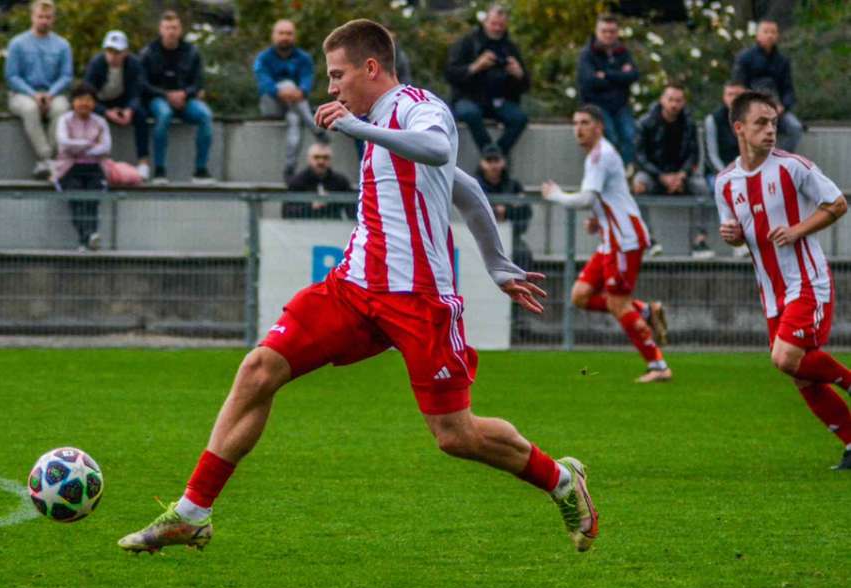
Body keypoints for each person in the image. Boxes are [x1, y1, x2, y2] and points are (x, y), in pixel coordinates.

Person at [118, 18, 598, 555]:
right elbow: (464, 187)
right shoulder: (374, 120)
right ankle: (193, 511)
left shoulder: (420, 106)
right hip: (353, 287)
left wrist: (359, 129)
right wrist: (498, 260)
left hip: (418, 297)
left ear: (371, 68)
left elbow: (441, 154)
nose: (331, 87)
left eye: (337, 74)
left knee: (455, 435)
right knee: (259, 368)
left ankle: (559, 479)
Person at [716, 91, 851, 470]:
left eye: (774, 122)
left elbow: (837, 203)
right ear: (739, 128)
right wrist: (733, 237)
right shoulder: (724, 181)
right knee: (799, 375)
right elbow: (739, 231)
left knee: (785, 357)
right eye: (761, 122)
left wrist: (796, 230)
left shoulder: (793, 167)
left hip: (808, 280)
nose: (771, 130)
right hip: (772, 292)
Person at [542, 105, 671, 383]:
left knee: (618, 304)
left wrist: (556, 195)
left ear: (599, 126)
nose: (578, 128)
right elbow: (605, 198)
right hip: (610, 239)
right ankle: (645, 311)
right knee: (580, 296)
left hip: (624, 240)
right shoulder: (597, 156)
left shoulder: (600, 155)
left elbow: (588, 198)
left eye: (585, 122)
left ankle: (658, 366)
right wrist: (597, 219)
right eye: (575, 123)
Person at [445, 4, 529, 157]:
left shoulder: (510, 47)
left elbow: (525, 85)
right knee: (470, 113)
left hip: (499, 101)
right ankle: (489, 153)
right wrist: (475, 67)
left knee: (520, 118)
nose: (497, 29)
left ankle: (496, 155)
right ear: (485, 22)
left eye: (501, 25)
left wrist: (519, 74)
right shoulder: (467, 42)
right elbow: (450, 74)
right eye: (493, 24)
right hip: (468, 98)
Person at [141, 10, 214, 184]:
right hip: (158, 99)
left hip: (185, 100)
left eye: (174, 28)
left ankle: (200, 170)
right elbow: (143, 84)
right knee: (164, 114)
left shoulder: (192, 52)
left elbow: (198, 82)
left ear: (180, 30)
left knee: (205, 115)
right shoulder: (148, 52)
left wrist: (184, 94)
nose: (171, 32)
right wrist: (166, 95)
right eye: (167, 28)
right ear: (161, 30)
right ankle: (159, 170)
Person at [633, 84, 706, 257]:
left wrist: (682, 174)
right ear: (662, 100)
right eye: (670, 99)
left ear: (684, 102)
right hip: (655, 173)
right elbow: (640, 157)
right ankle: (648, 239)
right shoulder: (645, 122)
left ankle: (700, 240)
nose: (674, 104)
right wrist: (661, 176)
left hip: (681, 174)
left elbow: (694, 154)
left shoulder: (689, 123)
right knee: (639, 184)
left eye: (678, 100)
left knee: (702, 187)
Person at [5, 0, 73, 179]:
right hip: (23, 93)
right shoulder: (17, 43)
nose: (44, 21)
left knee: (62, 109)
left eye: (48, 17)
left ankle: (47, 161)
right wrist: (33, 95)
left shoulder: (62, 45)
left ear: (53, 19)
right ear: (32, 17)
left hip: (53, 92)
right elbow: (12, 76)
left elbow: (66, 76)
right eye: (40, 17)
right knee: (30, 108)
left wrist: (50, 94)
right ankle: (46, 157)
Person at [254, 19, 329, 182]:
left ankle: (289, 167)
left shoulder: (304, 58)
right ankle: (315, 128)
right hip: (272, 105)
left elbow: (307, 80)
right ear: (273, 36)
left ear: (294, 37)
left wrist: (300, 91)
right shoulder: (263, 58)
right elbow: (264, 82)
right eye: (281, 33)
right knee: (287, 84)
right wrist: (282, 91)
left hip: (295, 107)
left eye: (289, 33)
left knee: (294, 120)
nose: (285, 37)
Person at [85, 30, 150, 180]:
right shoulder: (96, 64)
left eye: (117, 52)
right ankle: (91, 161)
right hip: (100, 102)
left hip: (123, 101)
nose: (113, 56)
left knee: (141, 114)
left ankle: (143, 162)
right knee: (88, 114)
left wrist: (130, 109)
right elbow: (87, 94)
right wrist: (106, 112)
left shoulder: (134, 64)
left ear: (125, 52)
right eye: (110, 51)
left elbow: (137, 92)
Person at [53, 82, 110, 252]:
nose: (84, 104)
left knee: (92, 200)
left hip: (94, 168)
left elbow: (106, 147)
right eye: (80, 99)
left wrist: (78, 148)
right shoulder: (65, 119)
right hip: (70, 168)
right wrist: (89, 144)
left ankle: (89, 236)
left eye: (88, 100)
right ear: (73, 102)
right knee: (76, 199)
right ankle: (85, 237)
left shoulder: (100, 122)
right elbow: (63, 143)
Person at [576, 13, 639, 167]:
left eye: (612, 31)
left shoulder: (623, 52)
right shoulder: (587, 54)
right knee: (610, 137)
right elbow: (590, 81)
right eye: (604, 31)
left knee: (631, 136)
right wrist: (619, 76)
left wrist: (606, 74)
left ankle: (623, 173)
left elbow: (633, 75)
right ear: (597, 32)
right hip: (597, 106)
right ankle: (609, 174)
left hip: (620, 105)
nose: (608, 35)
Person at [732, 20, 802, 152]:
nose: (770, 35)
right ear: (757, 35)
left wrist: (783, 106)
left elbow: (788, 89)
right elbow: (738, 86)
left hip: (777, 110)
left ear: (777, 36)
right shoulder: (744, 58)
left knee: (795, 128)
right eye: (766, 31)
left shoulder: (783, 61)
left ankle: (775, 159)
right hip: (750, 109)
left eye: (773, 32)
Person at [475, 143, 531, 268]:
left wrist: (505, 212)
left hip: (511, 235)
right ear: (482, 163)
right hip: (480, 237)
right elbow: (475, 211)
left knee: (523, 253)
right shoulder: (475, 185)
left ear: (503, 162)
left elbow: (526, 212)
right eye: (489, 161)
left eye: (496, 160)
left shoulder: (514, 185)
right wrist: (503, 209)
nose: (493, 165)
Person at [284, 142, 354, 219]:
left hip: (334, 226)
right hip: (304, 227)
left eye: (325, 157)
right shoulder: (297, 181)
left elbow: (353, 210)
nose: (321, 161)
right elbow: (287, 212)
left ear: (331, 159)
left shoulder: (341, 181)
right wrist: (311, 206)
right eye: (316, 157)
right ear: (308, 159)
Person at [704, 81, 745, 192]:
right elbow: (711, 156)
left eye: (737, 95)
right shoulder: (713, 120)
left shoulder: (753, 118)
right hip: (719, 172)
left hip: (746, 172)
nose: (733, 98)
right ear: (724, 97)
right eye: (730, 94)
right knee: (722, 188)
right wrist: (728, 174)